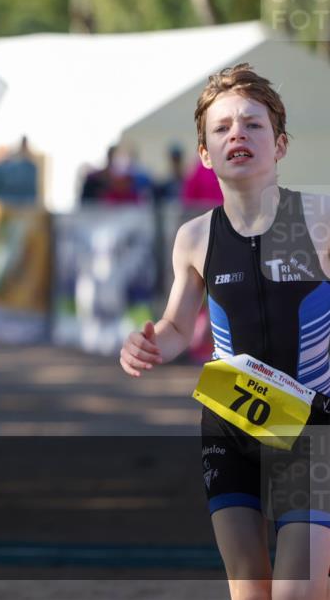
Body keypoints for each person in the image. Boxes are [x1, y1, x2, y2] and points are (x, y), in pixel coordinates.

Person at [120, 64, 330, 600]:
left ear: (280, 145)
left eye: (253, 124)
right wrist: (150, 343)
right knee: (251, 590)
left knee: (296, 593)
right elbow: (174, 325)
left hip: (312, 429)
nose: (238, 132)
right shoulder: (193, 238)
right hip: (229, 425)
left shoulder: (320, 220)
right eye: (223, 127)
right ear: (206, 154)